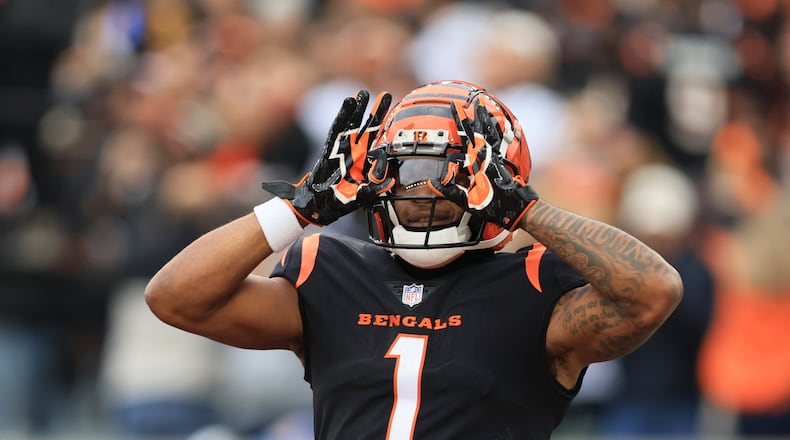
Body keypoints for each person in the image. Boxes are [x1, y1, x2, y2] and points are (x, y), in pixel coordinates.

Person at [145, 80, 683, 440]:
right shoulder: (327, 270)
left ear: (498, 176)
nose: (420, 194)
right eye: (403, 174)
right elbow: (174, 297)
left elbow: (654, 290)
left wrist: (525, 209)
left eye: (447, 175)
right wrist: (298, 207)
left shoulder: (535, 283)